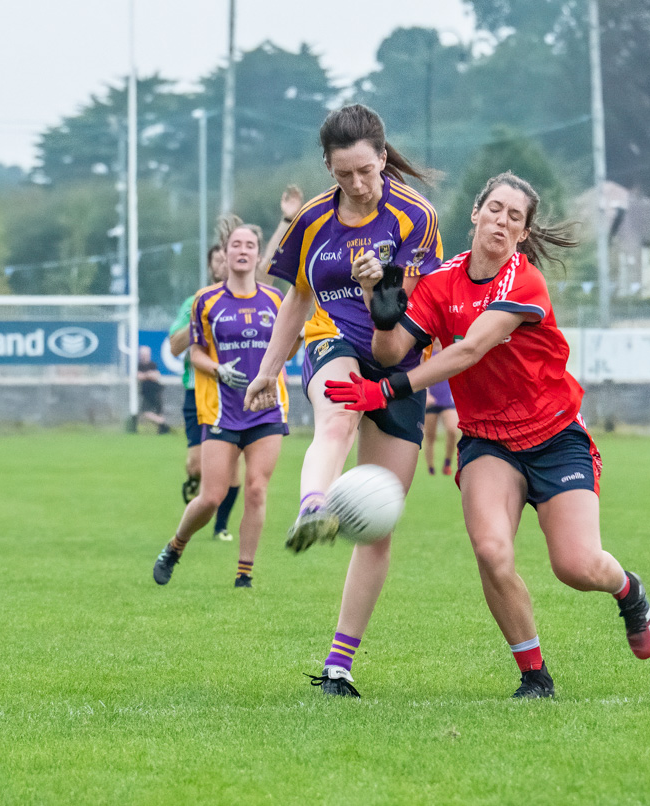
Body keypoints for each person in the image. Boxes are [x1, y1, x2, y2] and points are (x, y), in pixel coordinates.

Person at [324, 172, 650, 699]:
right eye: (496, 209)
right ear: (475, 213)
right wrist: (383, 312)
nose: (503, 221)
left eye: (515, 216)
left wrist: (385, 391)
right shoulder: (440, 282)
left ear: (524, 232)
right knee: (491, 550)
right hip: (488, 440)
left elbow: (468, 350)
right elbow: (392, 352)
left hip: (554, 434)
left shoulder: (522, 282)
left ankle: (628, 589)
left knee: (575, 565)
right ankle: (535, 675)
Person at [242, 104, 442, 697]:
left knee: (378, 526)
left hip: (401, 364)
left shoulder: (416, 216)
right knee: (337, 416)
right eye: (344, 173)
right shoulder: (310, 221)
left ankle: (338, 666)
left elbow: (415, 306)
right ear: (329, 169)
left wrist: (379, 284)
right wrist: (267, 370)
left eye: (366, 170)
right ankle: (311, 506)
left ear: (383, 157)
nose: (358, 184)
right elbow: (298, 301)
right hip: (333, 341)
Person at [152, 216, 295, 588]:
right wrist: (217, 370)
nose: (243, 251)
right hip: (222, 410)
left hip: (266, 407)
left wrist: (294, 340)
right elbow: (194, 353)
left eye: (250, 246)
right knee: (211, 496)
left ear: (259, 253)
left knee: (257, 488)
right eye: (236, 245)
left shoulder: (276, 300)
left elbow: (291, 344)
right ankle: (175, 545)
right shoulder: (206, 300)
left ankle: (244, 575)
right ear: (224, 253)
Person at [169, 245, 239, 541]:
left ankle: (220, 526)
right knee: (197, 466)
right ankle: (196, 483)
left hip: (233, 393)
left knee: (231, 466)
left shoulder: (248, 300)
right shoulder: (195, 301)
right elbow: (174, 347)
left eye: (228, 258)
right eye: (217, 260)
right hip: (197, 391)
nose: (224, 264)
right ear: (211, 267)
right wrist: (201, 317)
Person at [422, 341, 461, 476]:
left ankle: (447, 462)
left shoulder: (450, 349)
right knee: (430, 436)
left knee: (452, 429)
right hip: (431, 400)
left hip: (447, 399)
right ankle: (431, 467)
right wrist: (425, 394)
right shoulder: (426, 351)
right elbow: (421, 373)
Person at [136, 345, 171, 434]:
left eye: (145, 354)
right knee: (145, 412)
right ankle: (163, 424)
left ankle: (162, 428)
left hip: (155, 391)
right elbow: (139, 376)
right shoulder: (139, 365)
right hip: (146, 392)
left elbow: (156, 375)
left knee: (158, 411)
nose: (143, 356)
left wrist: (147, 375)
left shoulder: (152, 364)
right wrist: (148, 375)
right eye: (142, 354)